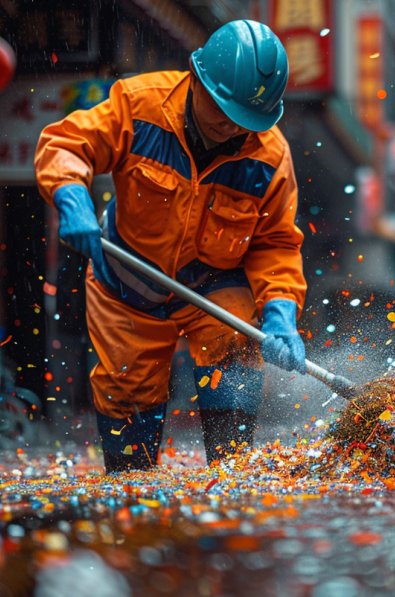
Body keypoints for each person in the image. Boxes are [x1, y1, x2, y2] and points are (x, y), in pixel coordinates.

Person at [35, 20, 307, 472]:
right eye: (223, 110)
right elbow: (67, 145)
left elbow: (276, 243)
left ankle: (230, 479)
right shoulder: (139, 104)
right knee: (127, 394)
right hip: (126, 280)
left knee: (236, 355)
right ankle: (130, 485)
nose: (231, 126)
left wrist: (281, 312)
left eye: (245, 118)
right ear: (196, 79)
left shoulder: (269, 157)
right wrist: (71, 196)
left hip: (214, 285)